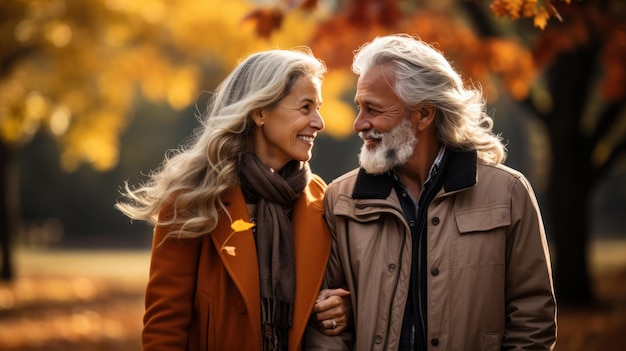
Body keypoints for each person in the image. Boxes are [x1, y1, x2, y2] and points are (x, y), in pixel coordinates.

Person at [303, 34, 557, 350]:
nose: (358, 123)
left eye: (373, 109)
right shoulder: (340, 199)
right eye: (359, 107)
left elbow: (533, 320)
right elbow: (324, 324)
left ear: (423, 114)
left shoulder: (508, 192)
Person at [116, 48, 351, 351]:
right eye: (305, 108)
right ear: (260, 112)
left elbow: (330, 301)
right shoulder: (193, 198)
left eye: (318, 108)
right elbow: (165, 327)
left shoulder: (321, 199)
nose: (319, 122)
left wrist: (340, 311)